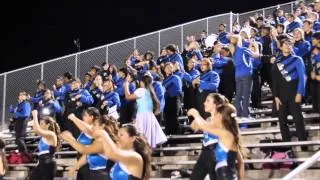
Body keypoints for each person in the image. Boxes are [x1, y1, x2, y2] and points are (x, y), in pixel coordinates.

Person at [189, 103, 245, 180]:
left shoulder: (226, 134)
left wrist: (195, 114)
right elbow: (241, 162)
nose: (214, 117)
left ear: (222, 117)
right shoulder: (229, 135)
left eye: (217, 114)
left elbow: (204, 126)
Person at [60, 114, 118, 180]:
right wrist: (75, 167)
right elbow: (87, 155)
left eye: (95, 125)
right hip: (93, 174)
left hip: (103, 176)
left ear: (102, 126)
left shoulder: (103, 141)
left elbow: (84, 150)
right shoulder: (97, 140)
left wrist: (69, 138)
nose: (92, 127)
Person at [272, 39, 307, 145]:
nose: (288, 46)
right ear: (281, 47)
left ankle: (303, 144)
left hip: (294, 92)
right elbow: (275, 80)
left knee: (298, 119)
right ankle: (287, 146)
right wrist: (276, 96)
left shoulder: (297, 59)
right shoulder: (277, 62)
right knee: (282, 121)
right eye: (285, 44)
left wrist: (300, 93)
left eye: (289, 44)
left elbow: (302, 77)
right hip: (282, 94)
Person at [188, 93, 229, 180]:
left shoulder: (222, 117)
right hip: (205, 152)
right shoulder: (208, 119)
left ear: (215, 105)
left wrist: (197, 115)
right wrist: (196, 121)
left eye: (208, 101)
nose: (204, 103)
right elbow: (193, 127)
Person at [124, 74, 167, 148]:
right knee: (147, 136)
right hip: (149, 115)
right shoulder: (149, 91)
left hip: (142, 115)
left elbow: (128, 97)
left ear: (142, 82)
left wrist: (126, 84)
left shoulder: (141, 90)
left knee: (142, 135)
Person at [67, 107, 100, 180]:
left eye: (85, 115)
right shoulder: (84, 128)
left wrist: (74, 118)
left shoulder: (95, 128)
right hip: (82, 163)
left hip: (89, 164)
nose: (83, 117)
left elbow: (88, 129)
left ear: (92, 117)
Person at [29, 110, 60, 180]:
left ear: (48, 125)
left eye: (42, 124)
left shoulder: (51, 134)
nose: (40, 125)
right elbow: (35, 129)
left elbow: (37, 130)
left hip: (48, 163)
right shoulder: (44, 136)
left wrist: (35, 115)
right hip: (42, 162)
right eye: (40, 124)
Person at [8, 91, 32, 163]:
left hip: (23, 122)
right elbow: (15, 112)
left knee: (20, 138)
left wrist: (16, 112)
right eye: (20, 95)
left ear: (25, 97)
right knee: (17, 139)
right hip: (19, 122)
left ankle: (26, 155)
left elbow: (25, 114)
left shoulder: (26, 104)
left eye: (23, 95)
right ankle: (22, 154)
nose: (21, 96)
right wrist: (11, 109)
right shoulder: (20, 104)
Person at [162, 62, 183, 135]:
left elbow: (178, 90)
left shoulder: (176, 77)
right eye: (167, 67)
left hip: (174, 99)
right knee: (166, 119)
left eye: (171, 67)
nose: (169, 69)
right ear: (164, 69)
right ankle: (168, 137)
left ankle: (177, 137)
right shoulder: (163, 80)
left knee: (174, 118)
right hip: (166, 100)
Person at [310, 46, 320, 113]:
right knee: (315, 94)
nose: (314, 51)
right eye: (313, 50)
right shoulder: (313, 58)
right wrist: (313, 73)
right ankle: (316, 109)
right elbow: (313, 67)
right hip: (315, 80)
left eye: (316, 49)